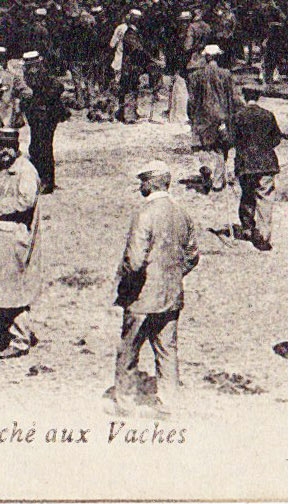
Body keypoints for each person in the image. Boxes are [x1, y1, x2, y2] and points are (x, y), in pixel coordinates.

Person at [111, 160, 198, 416]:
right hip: (171, 295)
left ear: (151, 184)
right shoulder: (181, 213)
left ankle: (125, 402)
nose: (141, 186)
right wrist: (174, 275)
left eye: (142, 182)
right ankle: (169, 402)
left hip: (141, 297)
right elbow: (192, 255)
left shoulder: (144, 214)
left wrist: (125, 285)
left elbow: (134, 261)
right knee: (167, 350)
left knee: (129, 349)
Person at [0, 135, 43, 358]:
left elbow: (26, 201)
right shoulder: (2, 169)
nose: (2, 151)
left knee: (13, 290)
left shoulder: (26, 171)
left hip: (12, 238)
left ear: (16, 147)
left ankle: (20, 340)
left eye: (7, 147)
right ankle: (4, 331)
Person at [230, 88, 281, 250]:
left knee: (247, 193)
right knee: (265, 198)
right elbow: (276, 139)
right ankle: (263, 235)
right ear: (258, 97)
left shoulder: (237, 116)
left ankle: (247, 228)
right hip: (266, 163)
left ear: (244, 97)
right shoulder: (268, 115)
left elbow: (230, 139)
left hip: (245, 163)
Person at [188, 45, 236, 192]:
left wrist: (192, 116)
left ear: (206, 57)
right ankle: (217, 181)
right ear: (217, 56)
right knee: (221, 148)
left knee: (202, 146)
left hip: (203, 116)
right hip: (221, 116)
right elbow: (231, 98)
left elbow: (192, 100)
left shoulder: (197, 75)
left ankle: (206, 167)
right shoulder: (226, 74)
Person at [20, 51, 66, 194]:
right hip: (41, 116)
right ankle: (44, 180)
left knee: (42, 147)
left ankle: (46, 182)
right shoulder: (37, 74)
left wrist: (43, 101)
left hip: (44, 116)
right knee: (39, 146)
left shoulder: (36, 75)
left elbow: (58, 87)